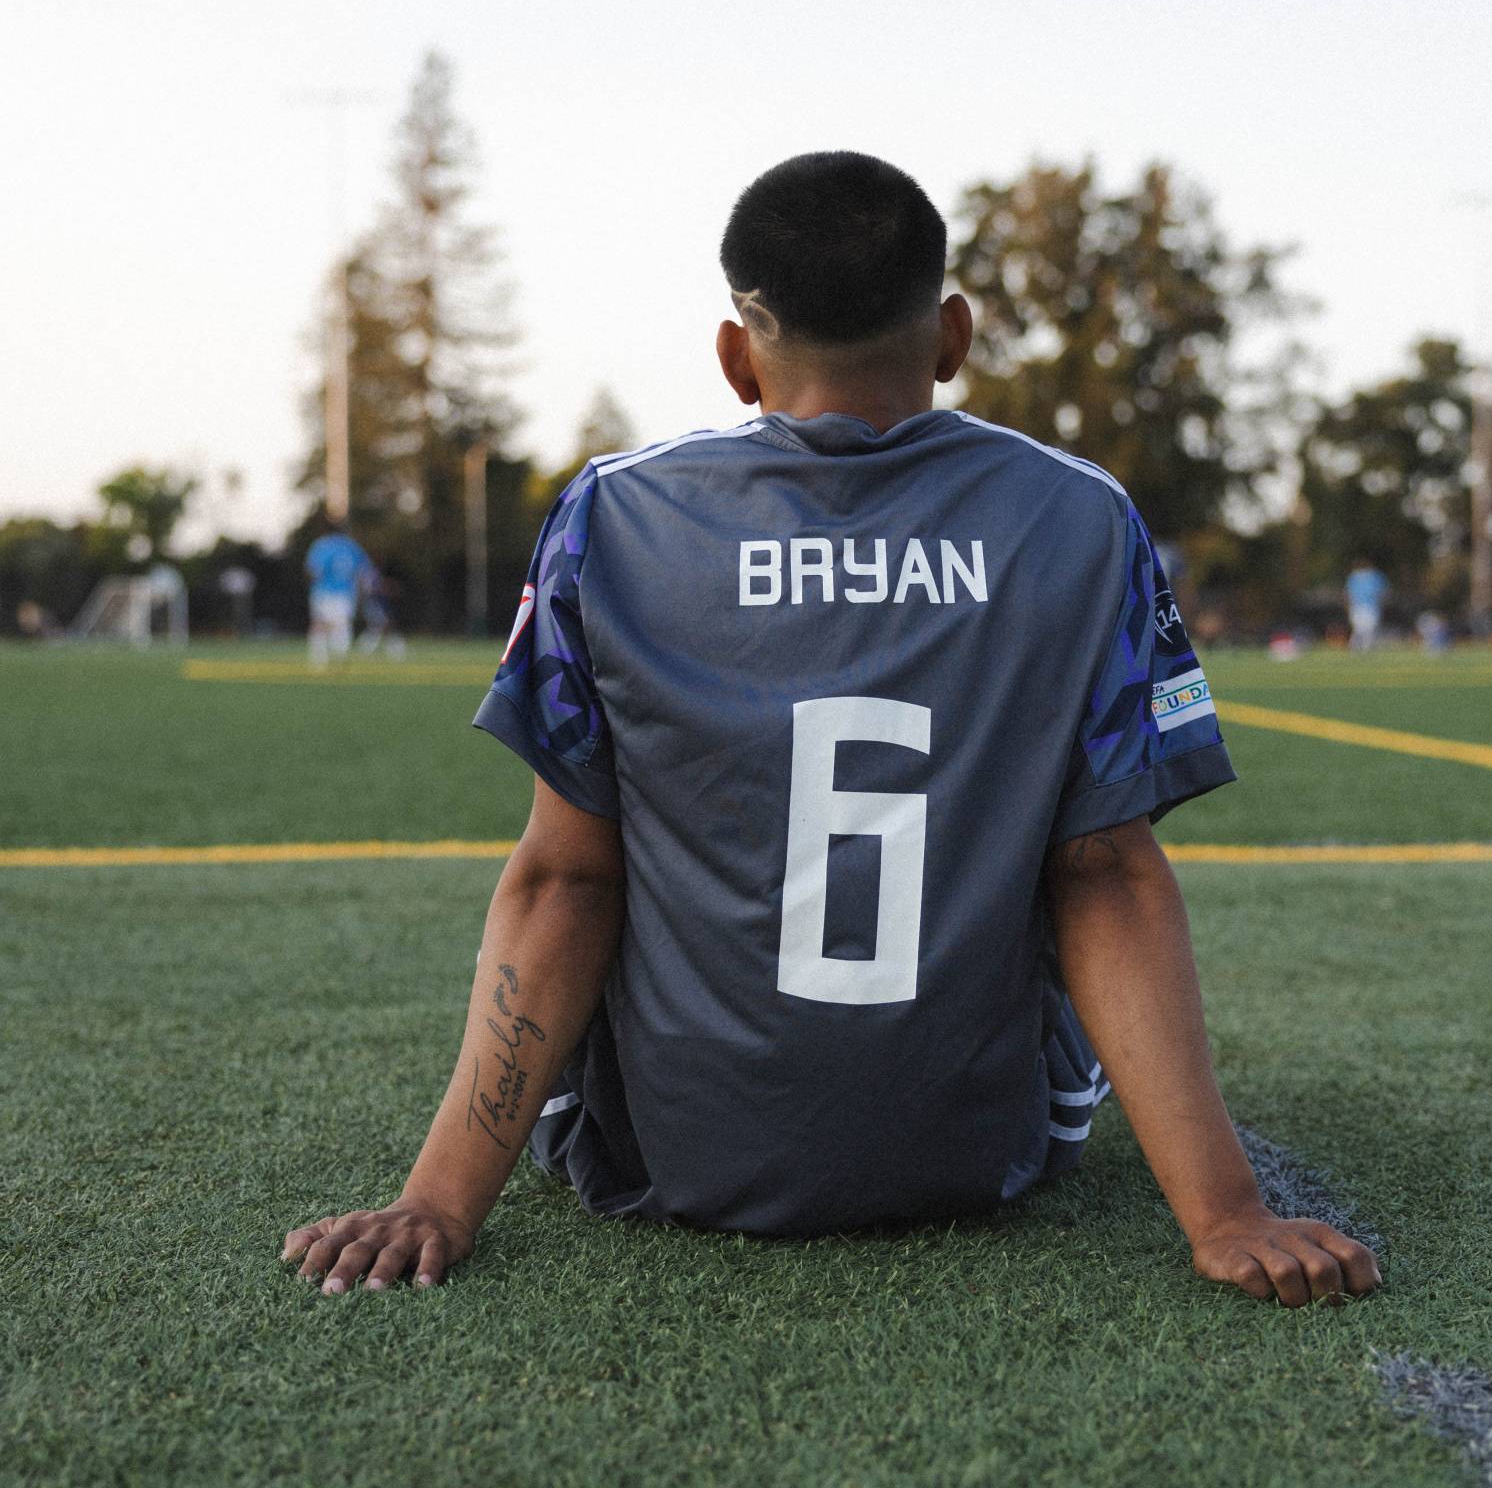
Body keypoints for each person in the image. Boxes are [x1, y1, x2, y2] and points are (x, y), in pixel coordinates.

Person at [283, 150, 1379, 1308]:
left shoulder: (615, 513)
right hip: (978, 1151)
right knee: (1083, 865)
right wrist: (1226, 1211)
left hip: (672, 1154)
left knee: (588, 868)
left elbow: (566, 883)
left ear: (735, 355)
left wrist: (438, 1200)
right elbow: (1107, 872)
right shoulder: (1078, 514)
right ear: (951, 337)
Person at [304, 523, 374, 665]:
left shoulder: (322, 545)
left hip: (323, 590)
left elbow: (313, 570)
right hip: (346, 592)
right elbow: (364, 572)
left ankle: (319, 659)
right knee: (342, 624)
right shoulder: (352, 546)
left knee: (319, 623)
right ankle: (340, 658)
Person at [1344, 561, 1386, 652]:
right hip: (1358, 606)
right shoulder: (1354, 577)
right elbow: (1348, 594)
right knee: (1359, 629)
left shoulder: (1375, 577)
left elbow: (1381, 593)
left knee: (1370, 628)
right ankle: (1355, 647)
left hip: (1371, 606)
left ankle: (1366, 648)